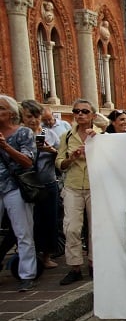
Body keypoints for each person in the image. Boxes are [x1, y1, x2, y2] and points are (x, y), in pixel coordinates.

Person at [56, 99, 100, 286]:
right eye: (76, 111)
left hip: (95, 186)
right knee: (72, 228)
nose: (80, 114)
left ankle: (93, 263)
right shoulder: (66, 136)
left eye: (84, 111)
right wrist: (71, 158)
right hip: (73, 185)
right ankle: (74, 267)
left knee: (95, 228)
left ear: (92, 115)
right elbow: (59, 163)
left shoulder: (100, 135)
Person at [0, 95, 38, 291]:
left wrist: (5, 146)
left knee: (23, 232)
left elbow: (28, 161)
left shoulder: (23, 133)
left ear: (11, 113)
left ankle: (27, 274)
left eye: (1, 109)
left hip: (15, 186)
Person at [20, 99, 59, 270]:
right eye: (29, 116)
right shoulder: (20, 134)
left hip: (48, 183)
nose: (33, 120)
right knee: (30, 223)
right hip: (26, 185)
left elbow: (61, 158)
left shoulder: (47, 133)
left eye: (36, 116)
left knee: (50, 221)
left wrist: (51, 151)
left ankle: (47, 255)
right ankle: (31, 256)